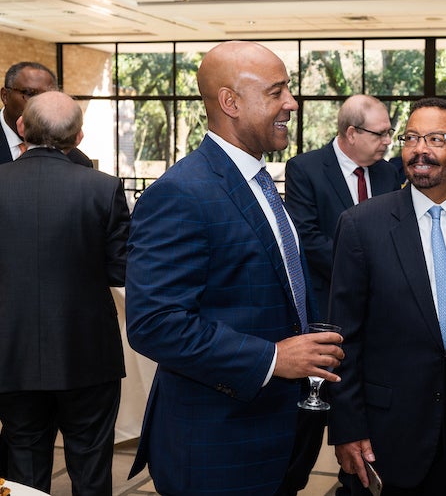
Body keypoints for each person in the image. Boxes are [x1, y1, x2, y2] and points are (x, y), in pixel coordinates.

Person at [125, 41, 344, 495]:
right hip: (217, 447)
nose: (292, 103)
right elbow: (154, 324)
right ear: (230, 102)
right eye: (277, 91)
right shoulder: (182, 192)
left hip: (277, 437)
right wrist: (273, 358)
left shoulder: (259, 181)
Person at [328, 97, 446, 495]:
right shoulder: (362, 226)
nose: (420, 149)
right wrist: (347, 427)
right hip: (383, 434)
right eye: (411, 137)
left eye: (436, 138)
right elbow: (345, 337)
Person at [0, 91, 130, 494]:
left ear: (21, 127)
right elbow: (121, 268)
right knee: (90, 466)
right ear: (78, 137)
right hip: (87, 354)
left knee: (22, 467)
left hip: (11, 352)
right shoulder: (103, 188)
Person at [282, 94, 400, 494]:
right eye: (381, 134)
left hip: (379, 313)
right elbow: (305, 236)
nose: (388, 141)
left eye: (389, 133)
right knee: (311, 420)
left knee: (364, 407)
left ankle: (357, 479)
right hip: (326, 308)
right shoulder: (306, 168)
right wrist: (363, 268)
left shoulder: (388, 173)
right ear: (351, 132)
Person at [1, 62, 93, 168]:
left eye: (47, 96)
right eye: (30, 94)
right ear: (5, 96)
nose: (41, 104)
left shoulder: (77, 162)